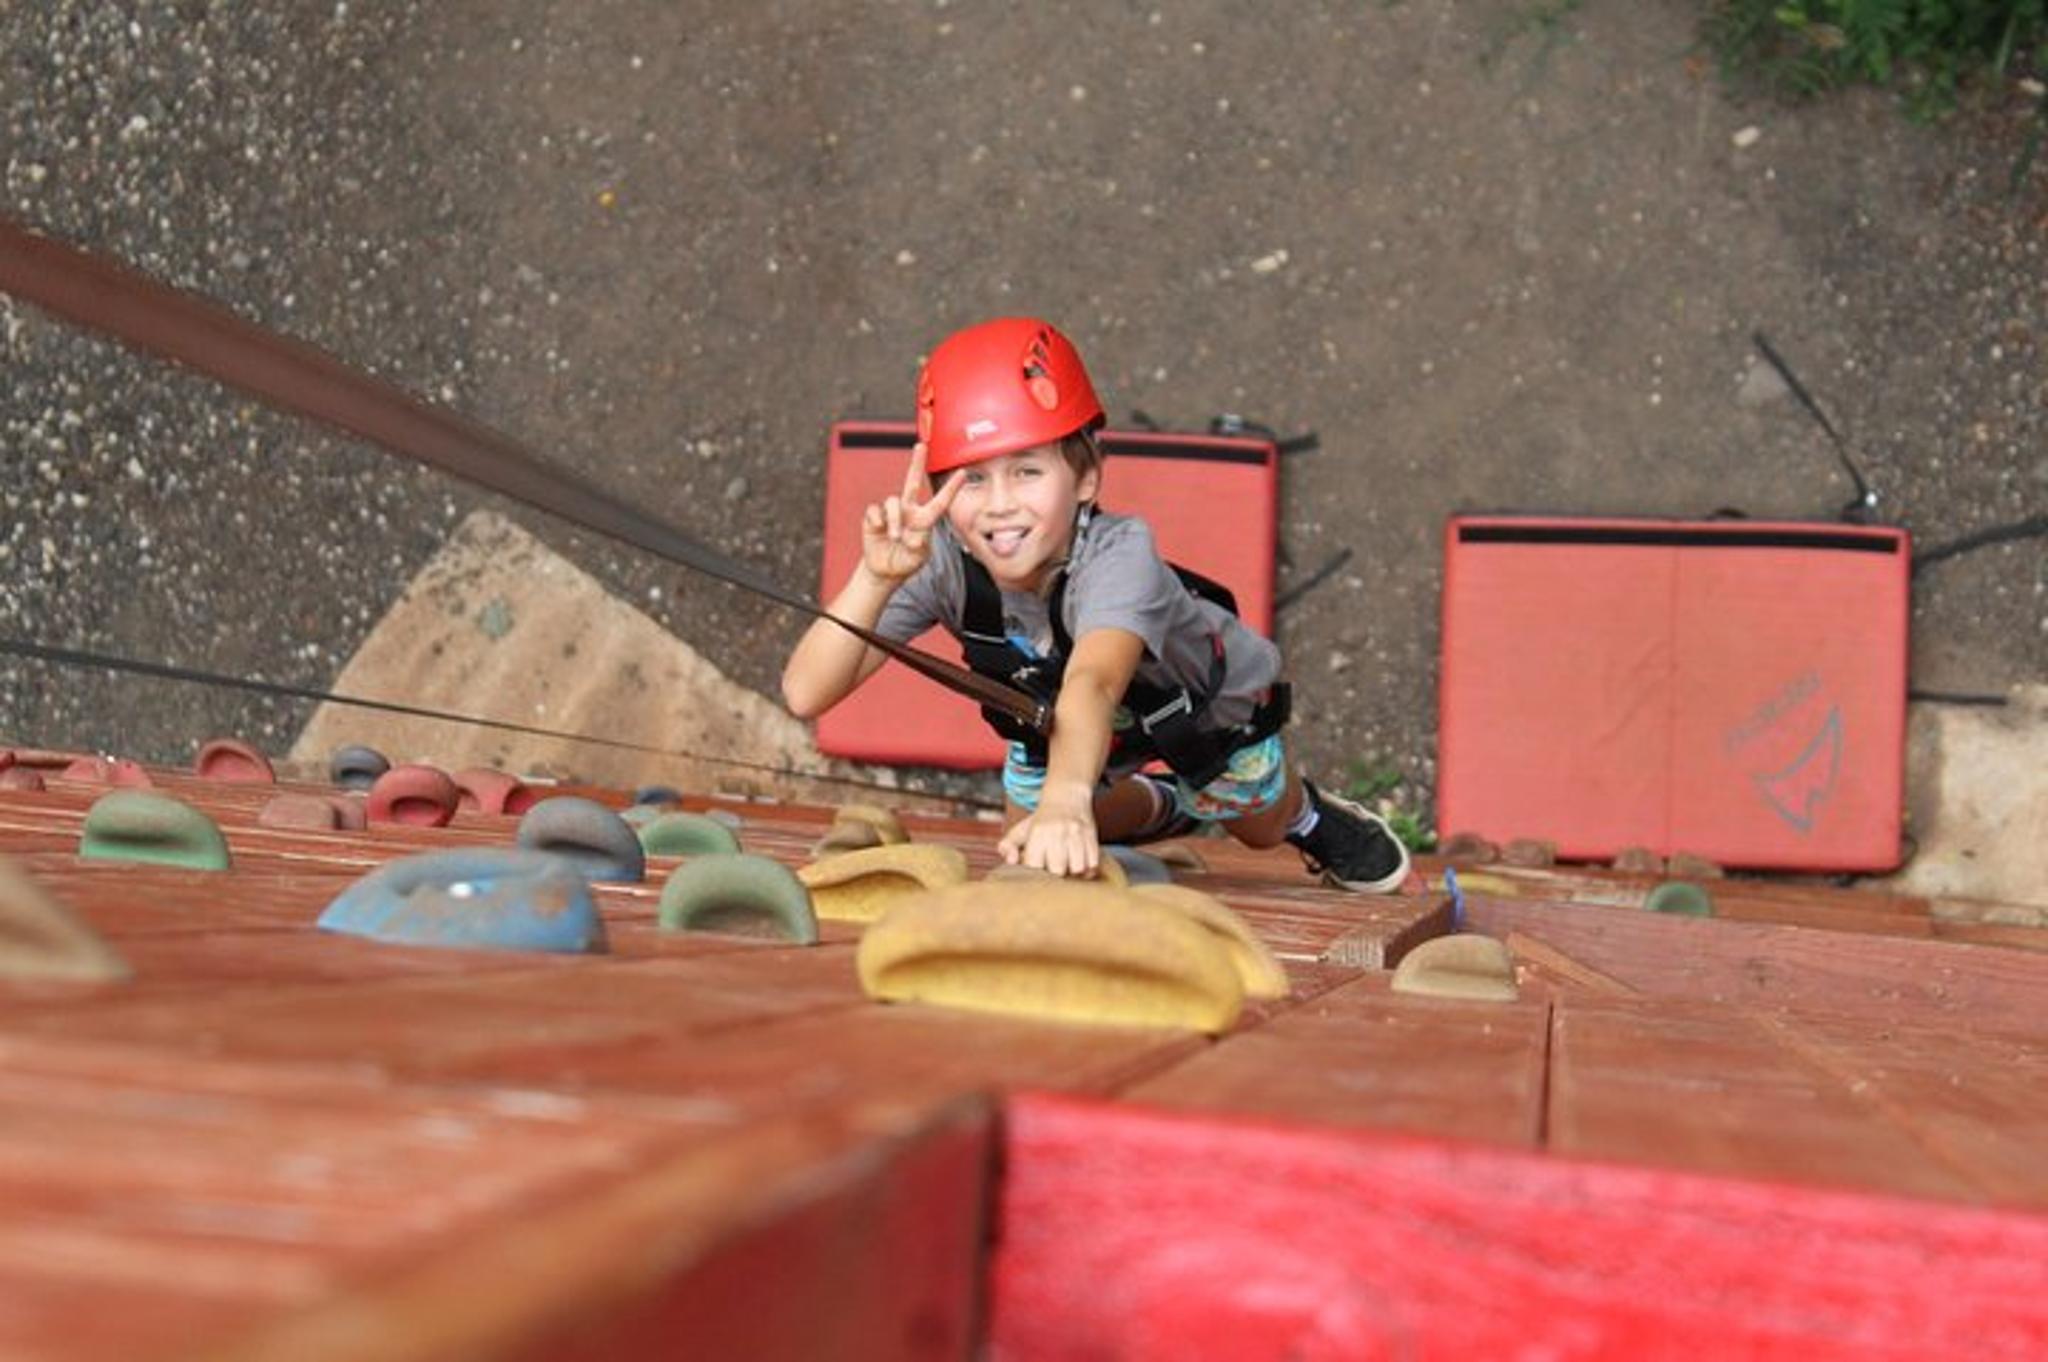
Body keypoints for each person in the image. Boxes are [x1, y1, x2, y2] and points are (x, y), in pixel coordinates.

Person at [782, 316, 1409, 890]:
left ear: (1085, 478)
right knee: (1037, 830)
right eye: (971, 478)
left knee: (1254, 823)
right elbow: (806, 692)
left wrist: (1064, 801)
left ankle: (1304, 816)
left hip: (1202, 710)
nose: (999, 503)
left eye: (1026, 471)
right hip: (1069, 731)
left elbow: (1095, 679)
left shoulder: (1120, 553)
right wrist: (875, 577)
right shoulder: (942, 560)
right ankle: (1163, 808)